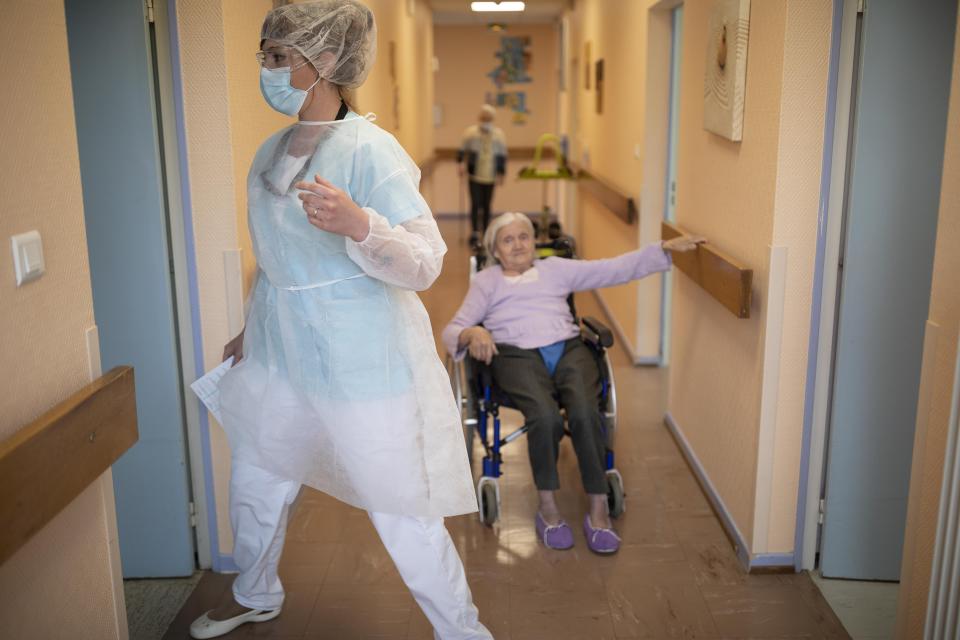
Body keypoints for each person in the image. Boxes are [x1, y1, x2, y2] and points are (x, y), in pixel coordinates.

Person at [189, 3, 491, 638]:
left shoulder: (371, 150)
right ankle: (255, 590)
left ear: (323, 63)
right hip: (280, 348)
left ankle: (463, 631)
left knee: (401, 507)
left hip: (360, 360)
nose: (266, 70)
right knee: (255, 478)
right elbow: (277, 260)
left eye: (278, 57)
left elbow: (426, 264)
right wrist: (252, 326)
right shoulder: (271, 152)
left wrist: (362, 225)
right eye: (264, 56)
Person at [441, 213, 703, 554]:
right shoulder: (487, 282)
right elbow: (452, 328)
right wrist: (472, 331)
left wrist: (664, 248)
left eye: (525, 236)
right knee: (545, 416)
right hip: (516, 355)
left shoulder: (556, 269)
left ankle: (598, 509)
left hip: (567, 348)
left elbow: (613, 269)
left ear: (535, 242)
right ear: (495, 249)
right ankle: (547, 508)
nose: (518, 244)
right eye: (508, 239)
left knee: (584, 410)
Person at [457, 105, 507, 246]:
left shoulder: (499, 135)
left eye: (488, 118)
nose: (486, 120)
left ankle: (485, 232)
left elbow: (502, 155)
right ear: (479, 118)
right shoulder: (470, 133)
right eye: (484, 118)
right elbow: (462, 150)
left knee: (486, 205)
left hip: (490, 176)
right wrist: (460, 164)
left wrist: (501, 173)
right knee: (475, 204)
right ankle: (474, 232)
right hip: (474, 174)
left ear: (493, 119)